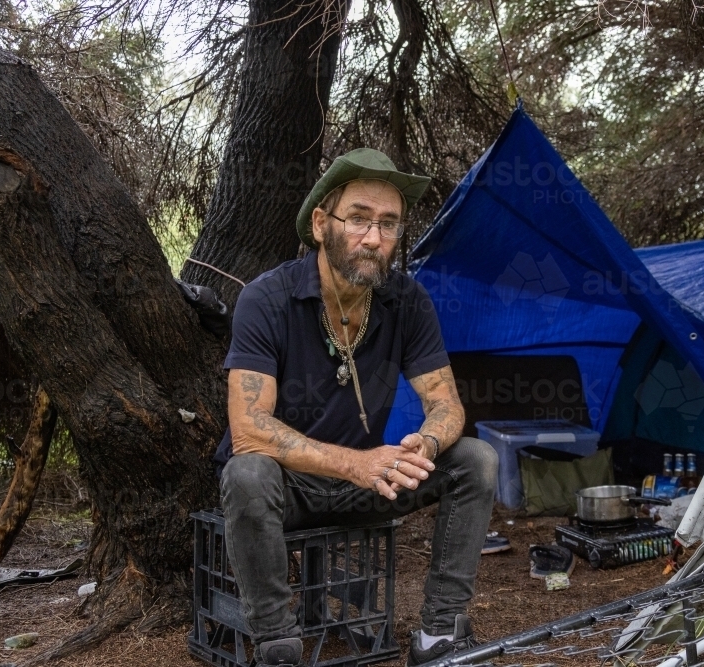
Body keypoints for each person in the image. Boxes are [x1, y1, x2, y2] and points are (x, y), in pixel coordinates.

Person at [213, 148, 499, 667]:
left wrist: (426, 441)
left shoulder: (406, 300)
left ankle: (441, 636)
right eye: (360, 219)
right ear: (322, 223)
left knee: (476, 459)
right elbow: (249, 428)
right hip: (289, 487)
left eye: (388, 224)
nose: (374, 238)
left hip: (366, 484)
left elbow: (447, 404)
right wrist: (359, 463)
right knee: (247, 471)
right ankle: (278, 646)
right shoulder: (266, 298)